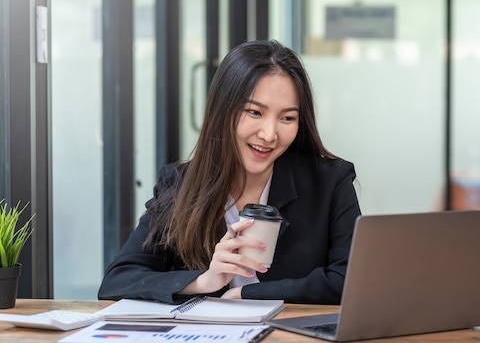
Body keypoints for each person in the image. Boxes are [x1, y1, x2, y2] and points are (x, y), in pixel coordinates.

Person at [98, 40, 361, 305]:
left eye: (287, 118)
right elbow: (119, 280)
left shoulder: (329, 182)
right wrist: (205, 280)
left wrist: (247, 293)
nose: (269, 134)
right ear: (223, 110)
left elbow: (351, 280)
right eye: (254, 112)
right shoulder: (180, 184)